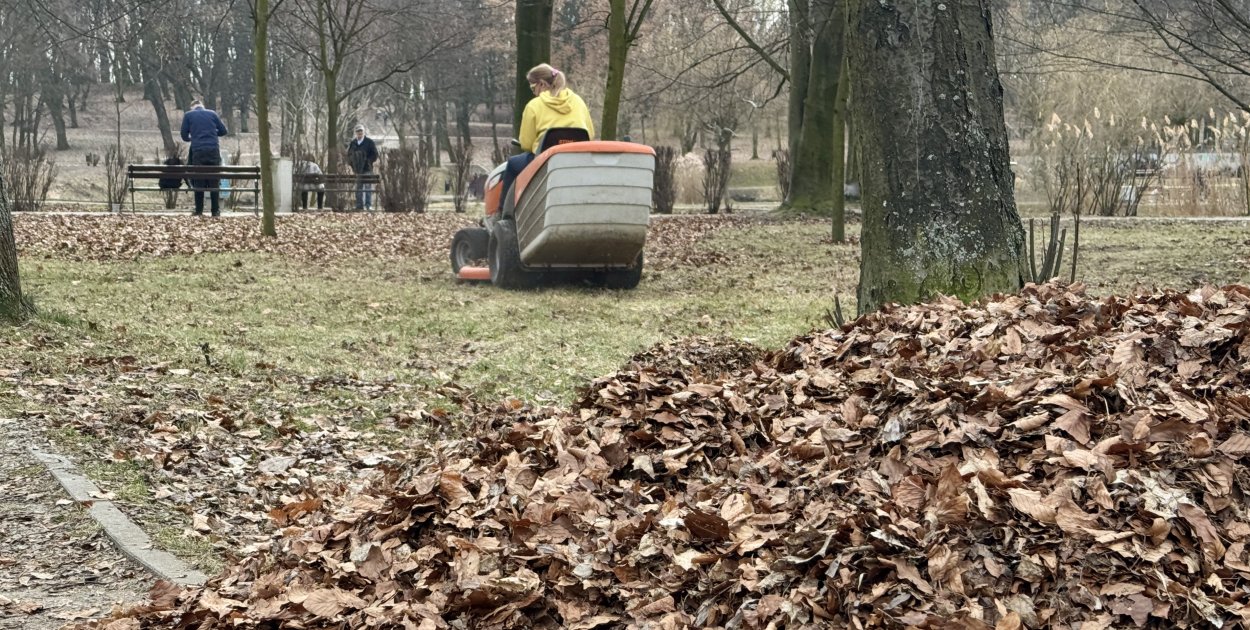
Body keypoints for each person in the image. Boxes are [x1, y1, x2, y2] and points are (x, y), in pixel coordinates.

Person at [500, 63, 595, 203]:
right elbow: (590, 135)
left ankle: (505, 212)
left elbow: (526, 144)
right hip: (576, 160)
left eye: (533, 88)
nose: (533, 92)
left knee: (513, 164)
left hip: (544, 162)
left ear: (542, 84)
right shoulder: (578, 101)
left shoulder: (534, 105)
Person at [179, 99, 229, 217]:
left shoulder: (188, 115)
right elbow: (223, 131)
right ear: (202, 106)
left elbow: (184, 135)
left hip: (198, 151)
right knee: (214, 180)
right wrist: (211, 133)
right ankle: (215, 210)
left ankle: (199, 210)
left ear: (192, 107)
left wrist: (194, 137)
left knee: (199, 180)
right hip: (213, 150)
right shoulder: (212, 114)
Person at [346, 125, 379, 211]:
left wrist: (368, 161)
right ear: (356, 133)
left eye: (361, 131)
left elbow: (375, 154)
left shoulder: (369, 142)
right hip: (357, 169)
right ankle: (359, 205)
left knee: (368, 187)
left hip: (367, 168)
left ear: (364, 132)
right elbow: (349, 155)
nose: (359, 133)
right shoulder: (353, 143)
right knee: (358, 188)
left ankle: (368, 205)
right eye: (358, 132)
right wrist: (353, 164)